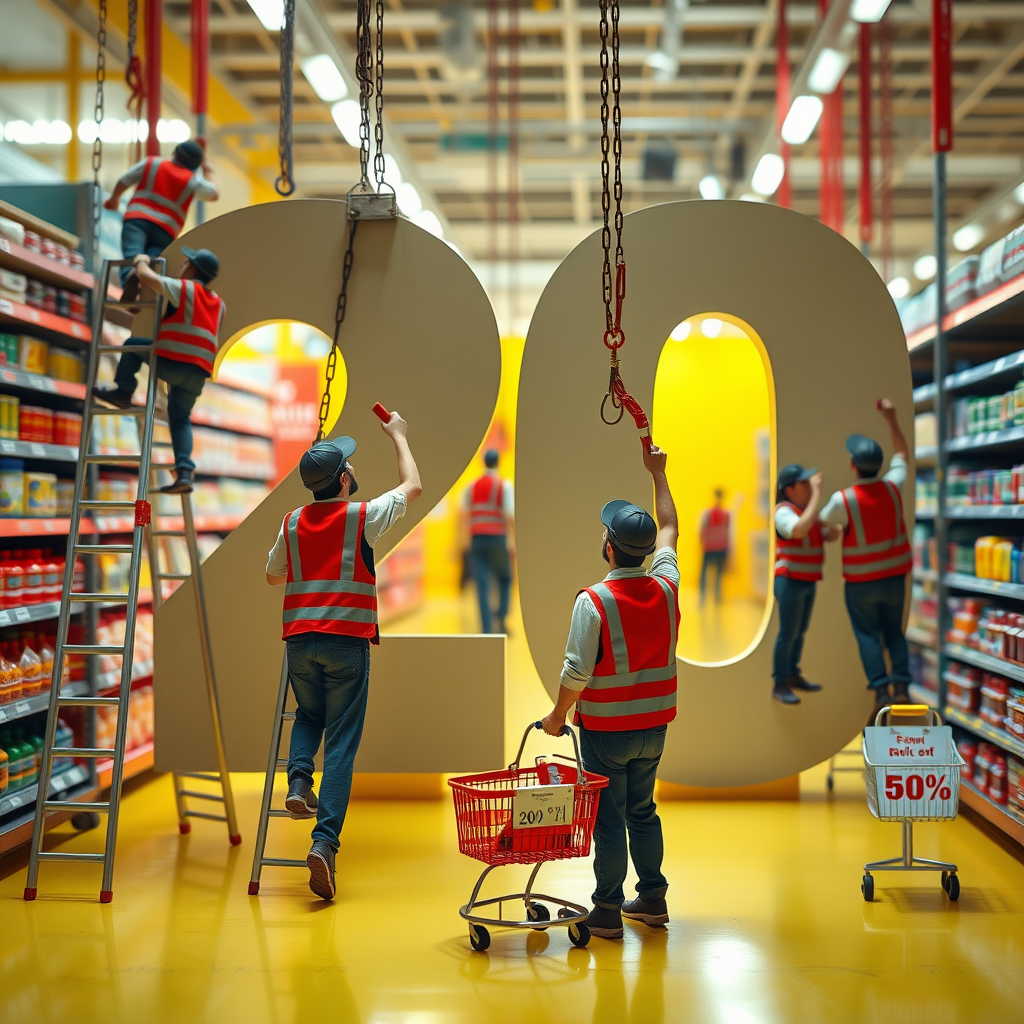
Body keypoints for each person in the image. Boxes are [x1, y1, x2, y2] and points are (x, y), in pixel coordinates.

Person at [265, 414, 422, 901]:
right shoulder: (362, 516)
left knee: (309, 715)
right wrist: (398, 434)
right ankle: (324, 844)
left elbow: (273, 576)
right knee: (342, 745)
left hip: (299, 642)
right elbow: (413, 486)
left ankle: (296, 783)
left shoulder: (291, 521)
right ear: (346, 479)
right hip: (347, 642)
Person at [541, 440, 679, 940]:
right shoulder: (666, 585)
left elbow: (576, 672)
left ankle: (606, 909)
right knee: (643, 809)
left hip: (607, 732)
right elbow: (669, 528)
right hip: (654, 729)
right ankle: (654, 899)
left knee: (609, 817)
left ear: (608, 547)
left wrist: (557, 716)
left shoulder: (594, 601)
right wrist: (658, 474)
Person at [92, 248, 224, 495]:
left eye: (186, 262)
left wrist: (140, 261)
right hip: (198, 374)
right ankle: (185, 471)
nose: (182, 265)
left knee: (132, 346)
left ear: (192, 268)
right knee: (180, 418)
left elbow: (146, 277)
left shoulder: (184, 288)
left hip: (172, 362)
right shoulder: (219, 303)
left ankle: (123, 391)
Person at [819, 399, 912, 723]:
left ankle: (881, 693)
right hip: (895, 577)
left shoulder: (843, 500)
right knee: (894, 632)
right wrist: (892, 418)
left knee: (868, 636)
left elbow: (824, 524)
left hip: (860, 584)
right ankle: (902, 687)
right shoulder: (893, 487)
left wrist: (838, 532)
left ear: (853, 466)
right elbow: (903, 455)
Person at [104, 140, 220, 293]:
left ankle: (130, 280)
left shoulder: (152, 163)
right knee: (153, 262)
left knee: (133, 254)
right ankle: (142, 290)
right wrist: (208, 168)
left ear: (174, 153)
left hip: (137, 220)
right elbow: (214, 193)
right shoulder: (193, 180)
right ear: (196, 166)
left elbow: (124, 180)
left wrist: (114, 199)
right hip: (165, 230)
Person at [772, 464, 838, 705]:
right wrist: (817, 497)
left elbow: (829, 534)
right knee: (788, 633)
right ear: (789, 489)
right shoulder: (784, 511)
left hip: (808, 579)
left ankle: (792, 674)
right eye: (803, 483)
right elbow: (797, 531)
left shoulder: (807, 512)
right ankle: (780, 683)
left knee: (799, 632)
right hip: (790, 580)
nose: (809, 487)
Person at [461, 449, 515, 633]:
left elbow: (464, 512)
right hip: (498, 538)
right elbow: (509, 514)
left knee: (482, 586)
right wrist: (513, 540)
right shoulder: (503, 485)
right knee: (505, 578)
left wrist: (464, 541)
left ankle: (486, 630)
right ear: (498, 463)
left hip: (477, 539)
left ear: (484, 463)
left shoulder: (472, 486)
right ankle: (500, 617)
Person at [698, 488, 730, 606]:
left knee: (711, 574)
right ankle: (711, 598)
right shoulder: (725, 514)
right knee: (715, 574)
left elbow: (702, 529)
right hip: (717, 547)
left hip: (712, 547)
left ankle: (709, 598)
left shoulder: (709, 513)